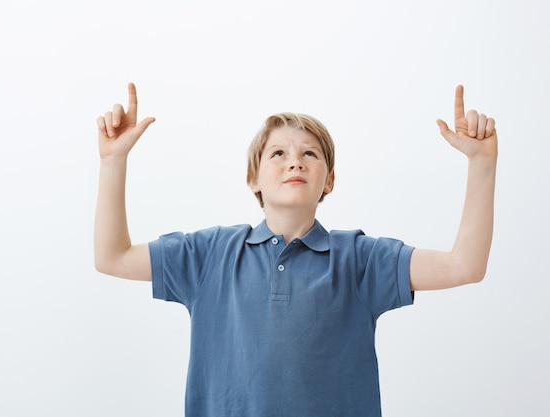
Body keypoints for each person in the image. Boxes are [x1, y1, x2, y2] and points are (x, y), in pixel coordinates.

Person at [94, 83, 497, 417]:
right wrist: (113, 162)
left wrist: (482, 163)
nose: (295, 163)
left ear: (329, 180)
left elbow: (464, 265)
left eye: (310, 154)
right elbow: (112, 257)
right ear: (253, 178)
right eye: (279, 154)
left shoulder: (359, 259)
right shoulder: (210, 254)